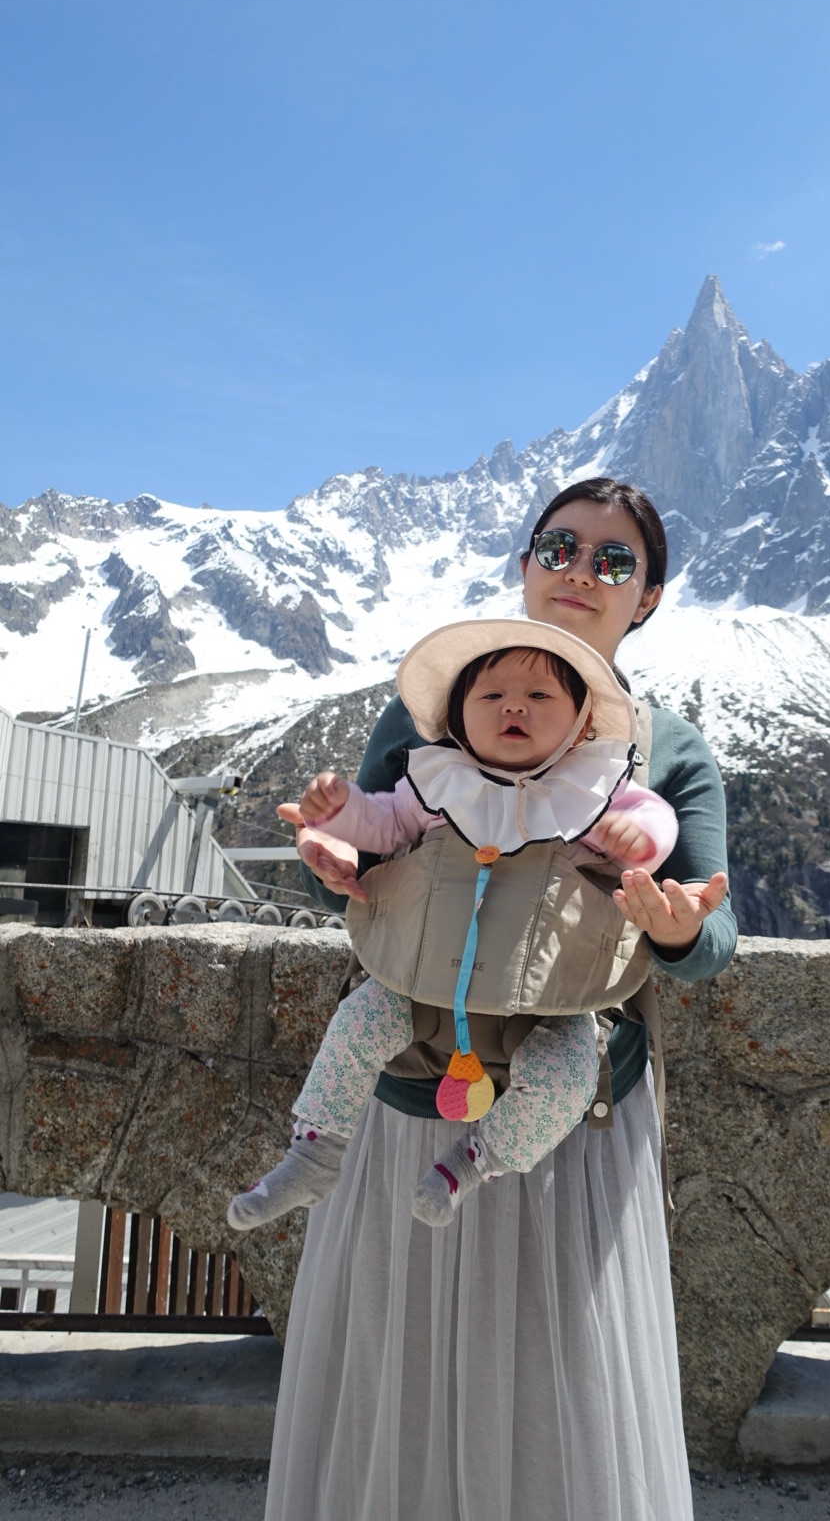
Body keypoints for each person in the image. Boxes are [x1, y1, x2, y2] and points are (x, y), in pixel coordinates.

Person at [263, 477, 736, 1521]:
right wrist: (329, 854)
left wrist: (678, 927)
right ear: (525, 564)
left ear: (648, 596)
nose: (580, 571)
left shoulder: (672, 752)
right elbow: (368, 855)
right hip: (402, 1099)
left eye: (614, 560)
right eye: (558, 546)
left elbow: (711, 938)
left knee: (557, 1377)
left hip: (578, 1117)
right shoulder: (423, 715)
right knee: (400, 1363)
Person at [226, 621, 676, 1232]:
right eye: (491, 696)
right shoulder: (438, 783)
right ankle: (312, 1152)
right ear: (459, 717)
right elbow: (383, 824)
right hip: (418, 984)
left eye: (540, 697)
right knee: (355, 1024)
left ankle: (476, 1159)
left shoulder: (592, 792)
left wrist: (640, 841)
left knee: (568, 1075)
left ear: (580, 725)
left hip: (547, 1003)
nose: (514, 705)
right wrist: (344, 811)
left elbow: (654, 821)